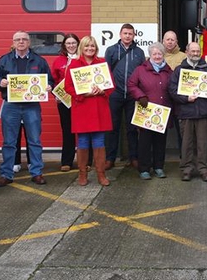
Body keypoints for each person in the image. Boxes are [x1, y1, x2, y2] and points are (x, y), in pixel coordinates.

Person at [0, 31, 53, 187]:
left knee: (34, 141)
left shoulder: (39, 61)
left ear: (29, 42)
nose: (21, 42)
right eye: (18, 40)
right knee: (9, 142)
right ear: (13, 42)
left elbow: (49, 79)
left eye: (24, 39)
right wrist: (1, 83)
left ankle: (37, 173)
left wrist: (49, 86)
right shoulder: (4, 60)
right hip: (10, 105)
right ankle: (6, 174)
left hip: (31, 106)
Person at [65, 36, 112, 186]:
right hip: (82, 108)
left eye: (92, 46)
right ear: (82, 48)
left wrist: (103, 90)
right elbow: (68, 87)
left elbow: (110, 85)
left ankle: (101, 174)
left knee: (99, 141)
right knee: (83, 142)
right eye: (87, 46)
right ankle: (82, 174)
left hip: (99, 107)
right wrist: (83, 94)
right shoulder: (74, 64)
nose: (90, 49)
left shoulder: (102, 63)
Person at [169, 42, 207, 182]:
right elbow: (172, 90)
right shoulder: (179, 70)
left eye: (198, 51)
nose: (195, 54)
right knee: (187, 143)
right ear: (187, 52)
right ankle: (187, 169)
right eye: (193, 51)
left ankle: (204, 169)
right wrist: (185, 99)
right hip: (186, 112)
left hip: (204, 113)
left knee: (203, 143)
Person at [128, 43, 173, 180]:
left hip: (162, 112)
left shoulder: (168, 70)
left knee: (160, 141)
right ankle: (144, 169)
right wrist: (140, 95)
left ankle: (159, 167)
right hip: (146, 112)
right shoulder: (140, 70)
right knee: (145, 142)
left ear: (163, 55)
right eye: (155, 54)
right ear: (150, 55)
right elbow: (131, 84)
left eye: (160, 54)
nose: (157, 56)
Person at [104, 24, 145, 169]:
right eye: (125, 33)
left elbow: (142, 74)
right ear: (120, 34)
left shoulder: (139, 53)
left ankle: (134, 157)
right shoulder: (111, 51)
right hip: (115, 94)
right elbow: (105, 72)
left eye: (130, 34)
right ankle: (110, 158)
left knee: (132, 128)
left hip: (132, 95)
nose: (128, 36)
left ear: (134, 35)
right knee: (112, 127)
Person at [51, 33, 81, 172]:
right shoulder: (58, 61)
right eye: (68, 43)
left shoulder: (83, 58)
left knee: (83, 131)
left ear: (78, 44)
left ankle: (85, 161)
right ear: (64, 45)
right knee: (67, 130)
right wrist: (54, 93)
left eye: (73, 43)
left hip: (82, 100)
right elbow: (53, 80)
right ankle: (67, 161)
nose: (71, 46)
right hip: (64, 101)